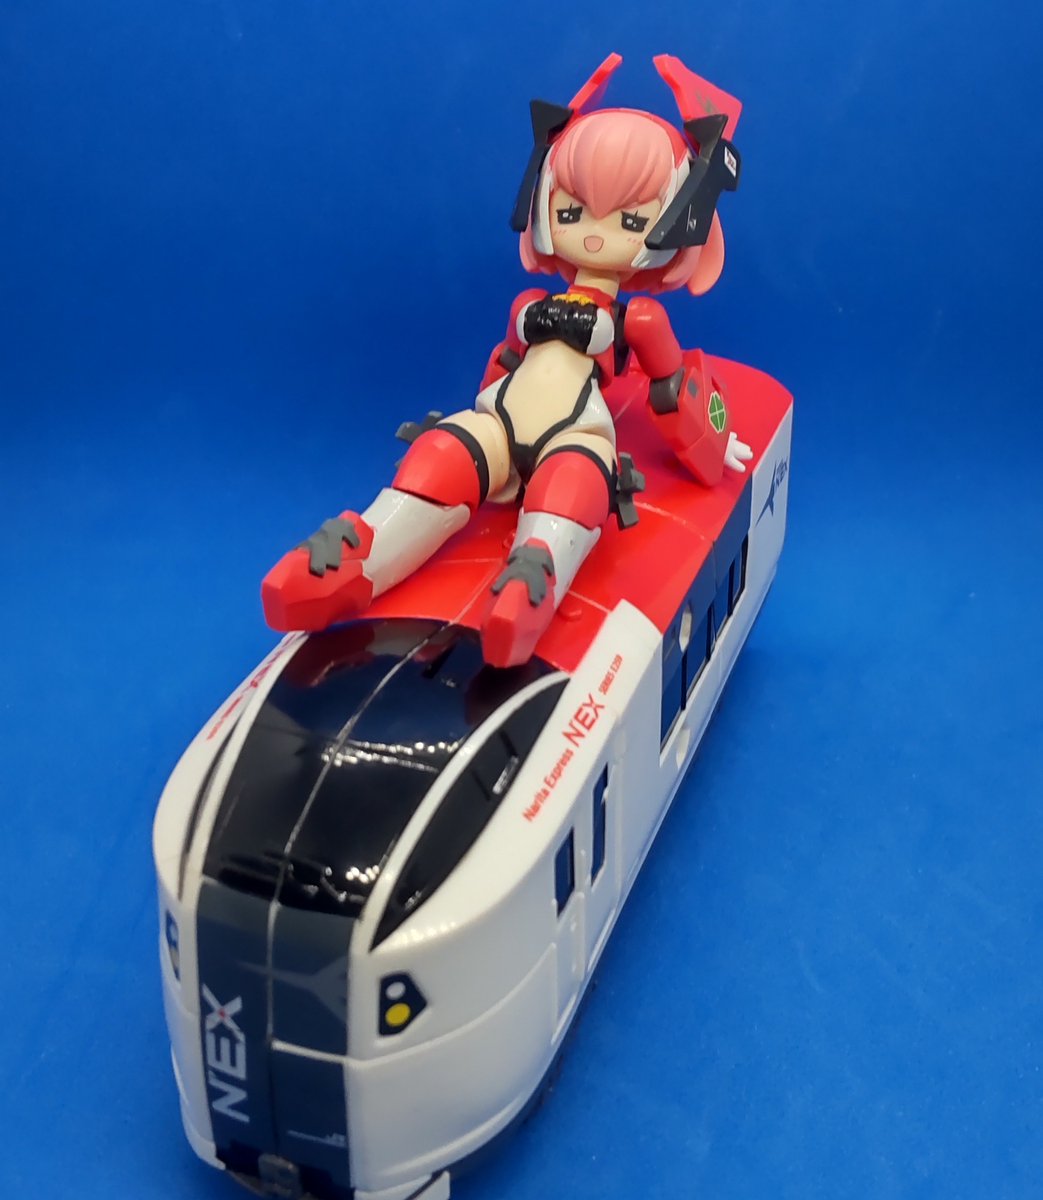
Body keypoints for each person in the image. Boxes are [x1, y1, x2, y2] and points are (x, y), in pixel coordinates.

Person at [262, 53, 752, 667]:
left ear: (681, 219)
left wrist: (714, 443)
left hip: (576, 433)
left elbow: (673, 390)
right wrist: (471, 439)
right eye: (572, 212)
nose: (594, 234)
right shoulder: (528, 304)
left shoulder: (640, 321)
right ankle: (362, 550)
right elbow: (502, 367)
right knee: (442, 449)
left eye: (631, 219)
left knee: (575, 480)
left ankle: (534, 573)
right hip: (501, 421)